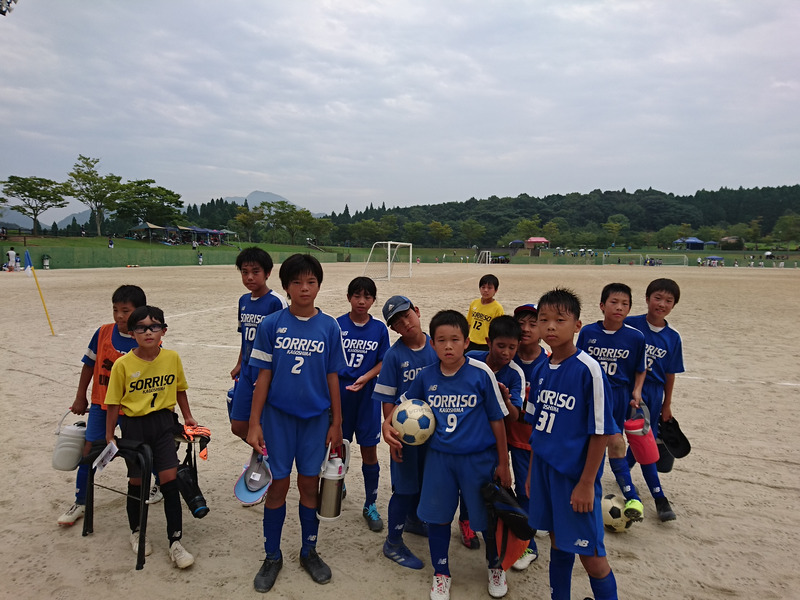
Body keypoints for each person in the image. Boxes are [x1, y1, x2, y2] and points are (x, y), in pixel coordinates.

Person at [246, 254, 346, 592]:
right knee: (276, 486)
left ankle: (309, 551)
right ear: (286, 287)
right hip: (277, 420)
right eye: (297, 282)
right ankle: (272, 556)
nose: (304, 288)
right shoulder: (271, 324)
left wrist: (337, 422)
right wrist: (255, 422)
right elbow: (263, 376)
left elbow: (333, 377)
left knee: (308, 485)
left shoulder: (329, 326)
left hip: (315, 421)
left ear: (319, 285)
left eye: (311, 282)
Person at [397, 310, 511, 600]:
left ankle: (495, 566)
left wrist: (503, 463)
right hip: (439, 460)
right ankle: (441, 572)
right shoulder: (426, 376)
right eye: (441, 340)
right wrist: (388, 424)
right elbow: (404, 407)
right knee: (438, 518)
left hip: (477, 460)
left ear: (466, 342)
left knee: (486, 518)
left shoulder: (481, 373)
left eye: (455, 339)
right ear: (432, 343)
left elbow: (497, 420)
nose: (448, 346)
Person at [525, 288, 619, 600]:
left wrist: (586, 483)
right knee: (558, 544)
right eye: (543, 320)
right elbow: (537, 427)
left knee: (592, 557)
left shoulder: (588, 370)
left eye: (560, 320)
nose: (550, 326)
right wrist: (531, 473)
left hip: (574, 477)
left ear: (577, 325)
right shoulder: (541, 368)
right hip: (543, 471)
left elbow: (600, 433)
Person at [104, 305, 198, 569]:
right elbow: (113, 403)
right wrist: (110, 435)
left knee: (169, 479)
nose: (148, 332)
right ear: (132, 333)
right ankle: (137, 532)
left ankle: (175, 541)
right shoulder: (123, 365)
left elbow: (179, 389)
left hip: (163, 424)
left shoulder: (172, 358)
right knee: (137, 480)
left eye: (154, 327)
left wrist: (188, 416)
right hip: (134, 426)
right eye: (141, 328)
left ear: (163, 331)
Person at [57, 285, 149, 526]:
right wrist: (80, 396)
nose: (119, 316)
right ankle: (81, 500)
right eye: (115, 310)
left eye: (125, 311)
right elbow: (88, 365)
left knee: (144, 451)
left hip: (134, 408)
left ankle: (155, 485)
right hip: (102, 404)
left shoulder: (146, 337)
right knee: (90, 451)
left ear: (140, 311)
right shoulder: (102, 333)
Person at [375, 295, 438, 571]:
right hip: (405, 436)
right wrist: (390, 432)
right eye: (398, 322)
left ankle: (413, 520)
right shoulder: (394, 356)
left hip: (434, 435)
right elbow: (388, 400)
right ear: (393, 329)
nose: (405, 323)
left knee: (424, 483)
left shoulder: (437, 346)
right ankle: (393, 542)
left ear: (417, 311)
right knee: (404, 488)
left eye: (407, 315)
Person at [576, 283, 646, 523]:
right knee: (588, 445)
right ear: (602, 306)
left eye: (625, 304)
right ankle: (585, 492)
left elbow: (640, 368)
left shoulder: (636, 337)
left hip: (618, 397)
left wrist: (637, 391)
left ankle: (632, 497)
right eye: (614, 302)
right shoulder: (588, 332)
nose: (619, 307)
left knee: (615, 442)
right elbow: (578, 363)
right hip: (591, 395)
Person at [464, 315, 525, 557]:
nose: (506, 352)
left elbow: (514, 417)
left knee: (488, 485)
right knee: (465, 483)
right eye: (501, 346)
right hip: (467, 435)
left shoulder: (515, 374)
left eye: (512, 347)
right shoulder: (472, 360)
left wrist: (506, 399)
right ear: (488, 342)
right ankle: (466, 521)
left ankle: (489, 529)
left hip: (494, 442)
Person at [625, 278, 684, 522]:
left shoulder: (673, 337)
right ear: (647, 299)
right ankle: (657, 495)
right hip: (628, 388)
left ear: (674, 305)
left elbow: (670, 374)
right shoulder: (630, 324)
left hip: (654, 392)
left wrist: (667, 405)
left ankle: (633, 478)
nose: (662, 304)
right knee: (640, 438)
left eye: (668, 301)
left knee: (643, 439)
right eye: (657, 298)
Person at [336, 277, 390, 532]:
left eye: (367, 297)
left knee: (369, 451)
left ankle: (370, 504)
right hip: (341, 395)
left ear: (373, 300)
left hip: (368, 396)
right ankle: (338, 485)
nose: (361, 301)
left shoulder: (379, 329)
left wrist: (366, 377)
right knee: (338, 448)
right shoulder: (337, 325)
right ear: (349, 297)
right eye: (357, 295)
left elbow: (383, 361)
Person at [229, 247, 287, 445]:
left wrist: (274, 374)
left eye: (255, 272)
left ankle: (266, 457)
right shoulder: (243, 301)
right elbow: (245, 337)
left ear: (268, 273)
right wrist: (239, 363)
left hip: (266, 369)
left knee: (264, 422)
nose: (249, 277)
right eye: (245, 272)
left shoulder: (276, 302)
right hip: (247, 368)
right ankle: (264, 451)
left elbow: (282, 342)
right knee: (238, 425)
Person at [507, 303, 549, 570]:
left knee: (526, 489)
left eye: (533, 324)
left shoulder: (549, 363)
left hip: (528, 440)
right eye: (521, 323)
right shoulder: (506, 356)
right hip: (502, 436)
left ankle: (528, 545)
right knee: (501, 486)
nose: (525, 329)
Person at [466, 274, 504, 352]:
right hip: (471, 341)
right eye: (483, 287)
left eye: (489, 288)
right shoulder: (474, 303)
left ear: (496, 290)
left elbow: (499, 330)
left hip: (486, 344)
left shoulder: (497, 308)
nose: (486, 290)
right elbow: (469, 323)